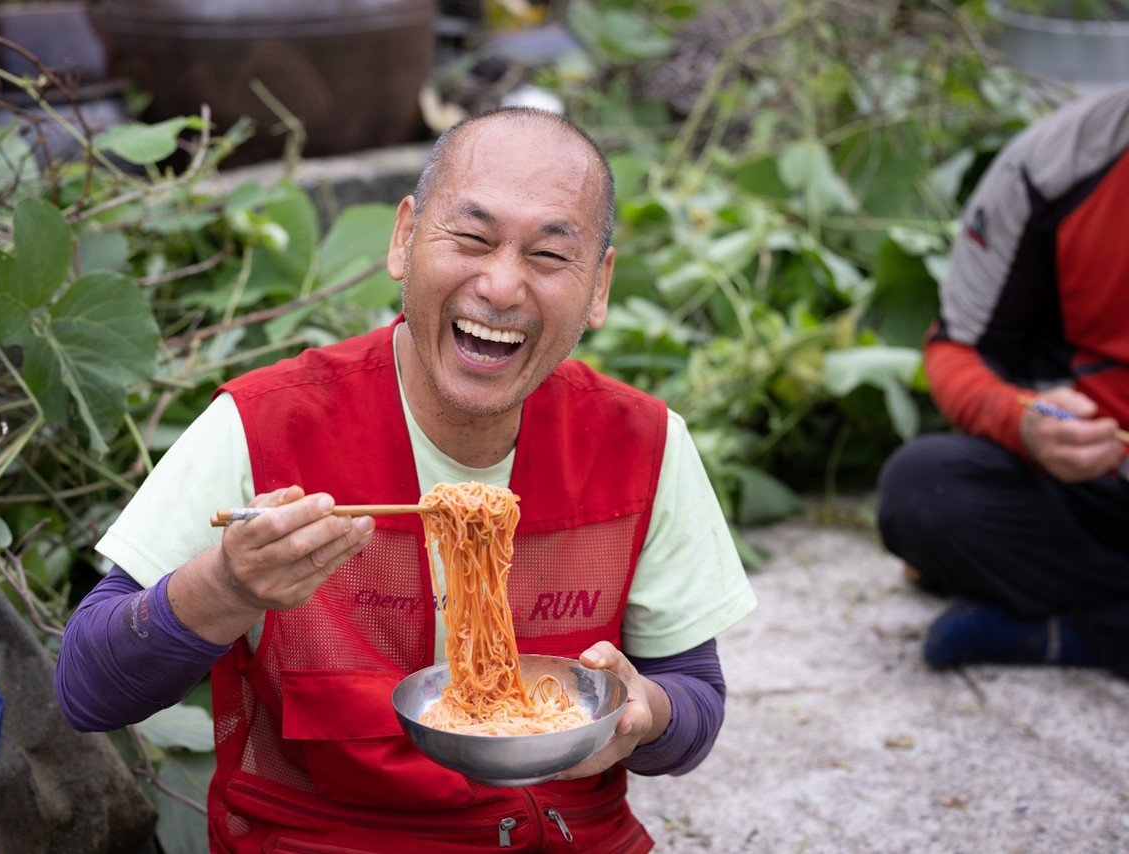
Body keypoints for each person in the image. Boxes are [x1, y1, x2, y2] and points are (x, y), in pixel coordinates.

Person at [54, 107, 756, 852]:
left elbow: (695, 704)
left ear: (600, 287)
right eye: (473, 238)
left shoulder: (643, 444)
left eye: (550, 257)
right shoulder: (263, 428)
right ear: (404, 240)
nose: (502, 285)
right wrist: (226, 589)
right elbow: (87, 688)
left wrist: (648, 712)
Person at [876, 83, 1129, 677]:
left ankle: (1072, 635)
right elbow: (956, 350)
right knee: (923, 491)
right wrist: (1022, 422)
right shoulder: (1052, 167)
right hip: (1098, 485)